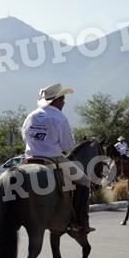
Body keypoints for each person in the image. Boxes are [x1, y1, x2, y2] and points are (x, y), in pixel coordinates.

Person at [20, 83, 94, 234]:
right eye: (63, 99)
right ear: (57, 100)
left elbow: (24, 136)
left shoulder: (31, 115)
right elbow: (68, 146)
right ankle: (80, 222)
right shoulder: (59, 118)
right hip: (53, 159)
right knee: (85, 181)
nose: (64, 103)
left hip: (29, 158)